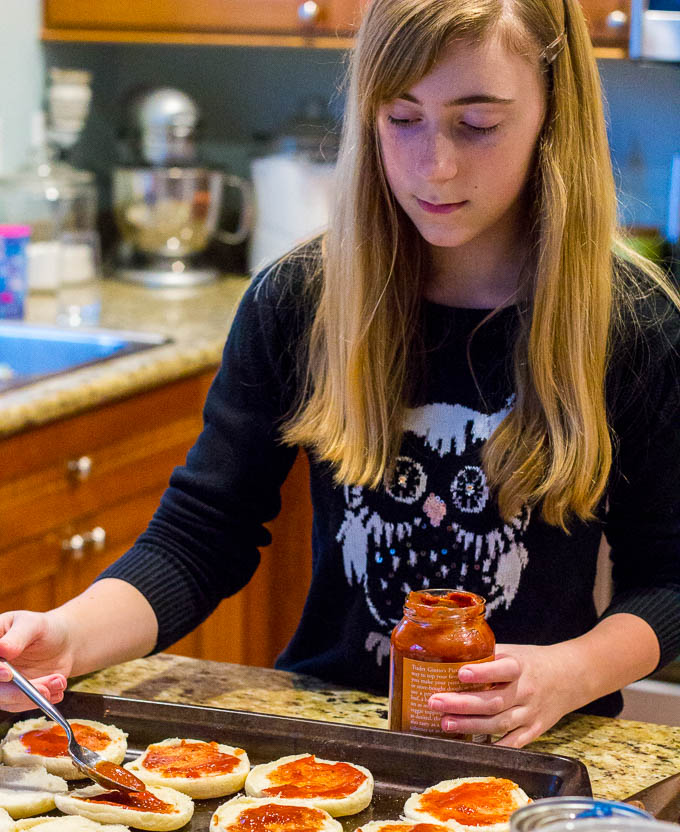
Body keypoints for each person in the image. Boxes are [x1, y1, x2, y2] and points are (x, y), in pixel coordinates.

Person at [1, 0, 678, 747]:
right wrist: (65, 637)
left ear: (554, 112)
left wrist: (572, 672)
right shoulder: (301, 299)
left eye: (478, 124)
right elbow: (202, 534)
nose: (436, 164)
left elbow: (669, 578)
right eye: (400, 118)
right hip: (326, 739)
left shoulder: (632, 324)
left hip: (540, 743)